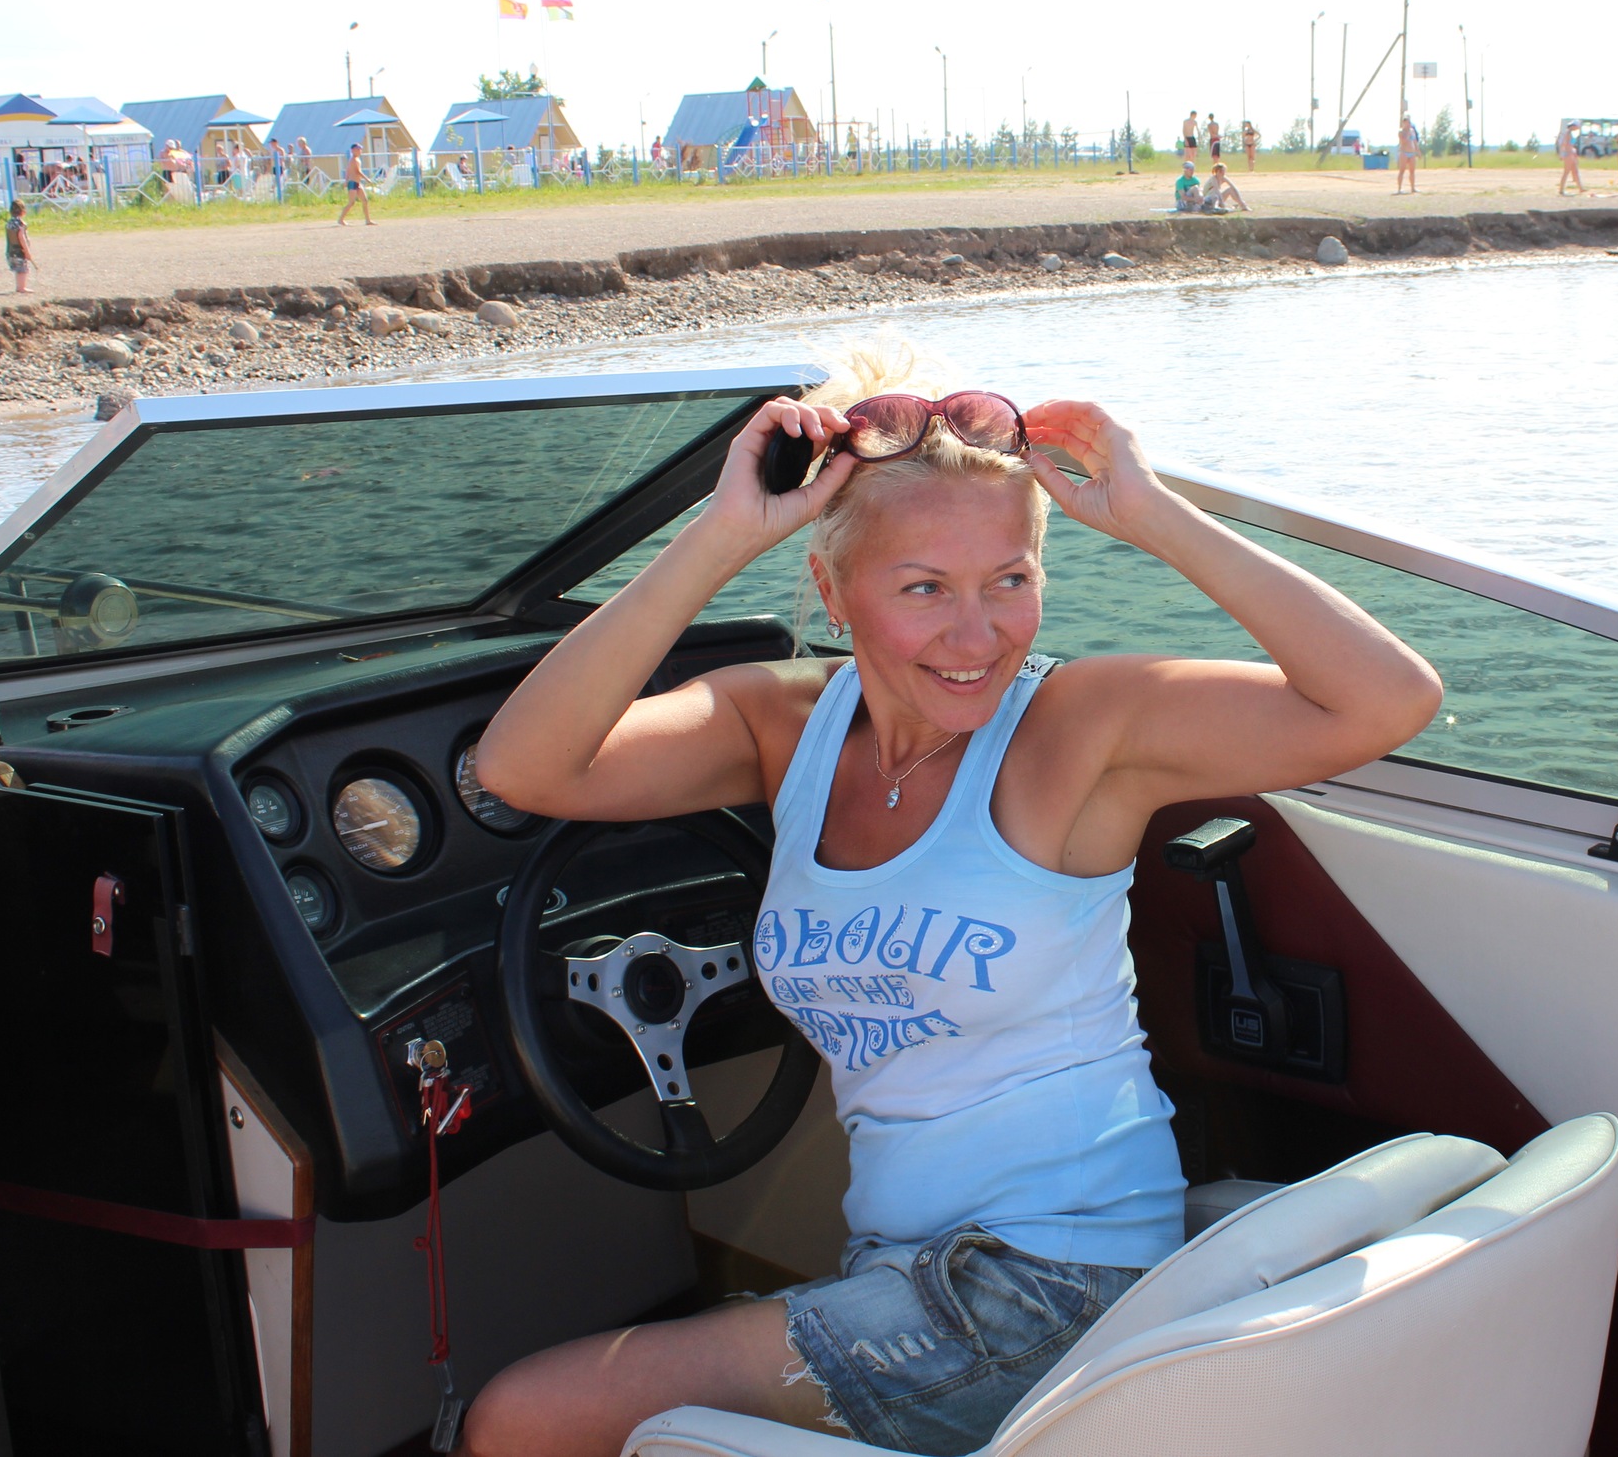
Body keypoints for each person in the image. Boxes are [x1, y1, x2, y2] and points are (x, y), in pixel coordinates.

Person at [463, 345, 1441, 1457]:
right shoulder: (780, 726)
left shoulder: (1080, 727)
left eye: (1009, 581)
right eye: (924, 588)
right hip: (899, 1272)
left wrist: (1155, 515)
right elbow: (524, 768)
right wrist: (723, 536)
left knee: (523, 1418)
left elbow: (1386, 701)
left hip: (1057, 1278)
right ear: (833, 591)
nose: (977, 638)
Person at [337, 142, 375, 225]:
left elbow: (348, 171)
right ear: (353, 150)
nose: (359, 151)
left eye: (360, 149)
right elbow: (357, 171)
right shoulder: (353, 160)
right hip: (353, 183)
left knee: (365, 200)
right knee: (351, 202)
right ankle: (341, 219)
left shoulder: (356, 159)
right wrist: (367, 179)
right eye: (357, 149)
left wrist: (346, 180)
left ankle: (368, 220)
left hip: (357, 183)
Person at [5, 198, 35, 294]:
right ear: (23, 212)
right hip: (19, 251)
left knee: (18, 270)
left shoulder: (9, 223)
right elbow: (21, 238)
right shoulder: (21, 224)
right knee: (23, 270)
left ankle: (19, 286)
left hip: (10, 251)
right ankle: (22, 287)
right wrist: (27, 251)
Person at [1395, 113, 1420, 194]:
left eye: (1408, 122)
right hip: (1404, 152)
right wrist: (1407, 135)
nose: (1407, 123)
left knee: (1412, 171)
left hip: (1412, 152)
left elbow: (1415, 141)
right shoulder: (1401, 132)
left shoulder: (1412, 131)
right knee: (1402, 170)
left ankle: (1413, 188)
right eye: (1405, 122)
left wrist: (1418, 151)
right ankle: (1399, 189)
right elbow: (1403, 141)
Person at [1558, 123, 1585, 194]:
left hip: (1571, 153)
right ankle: (1561, 189)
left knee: (1575, 171)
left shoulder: (1571, 134)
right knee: (1566, 172)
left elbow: (1571, 144)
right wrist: (1562, 154)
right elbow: (1563, 144)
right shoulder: (1567, 133)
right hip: (1568, 154)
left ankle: (1581, 188)